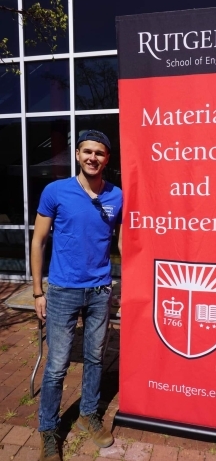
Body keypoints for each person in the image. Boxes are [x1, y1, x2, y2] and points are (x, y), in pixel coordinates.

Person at [31, 130, 122, 461]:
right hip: (62, 291)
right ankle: (49, 430)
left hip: (99, 292)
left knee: (96, 358)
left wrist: (124, 283)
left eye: (99, 153)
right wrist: (38, 291)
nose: (92, 158)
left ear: (107, 158)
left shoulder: (117, 196)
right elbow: (38, 241)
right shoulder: (56, 191)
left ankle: (88, 415)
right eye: (87, 151)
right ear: (78, 154)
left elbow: (122, 244)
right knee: (57, 366)